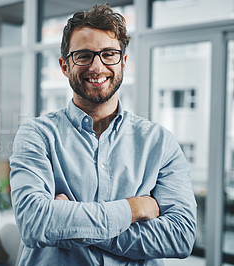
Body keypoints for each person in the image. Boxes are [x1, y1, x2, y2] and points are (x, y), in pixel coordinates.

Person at [10, 4, 197, 265]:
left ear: (123, 62)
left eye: (109, 54)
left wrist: (68, 224)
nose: (97, 67)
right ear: (65, 66)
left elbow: (180, 236)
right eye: (84, 55)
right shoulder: (36, 135)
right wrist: (134, 209)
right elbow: (34, 224)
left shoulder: (160, 142)